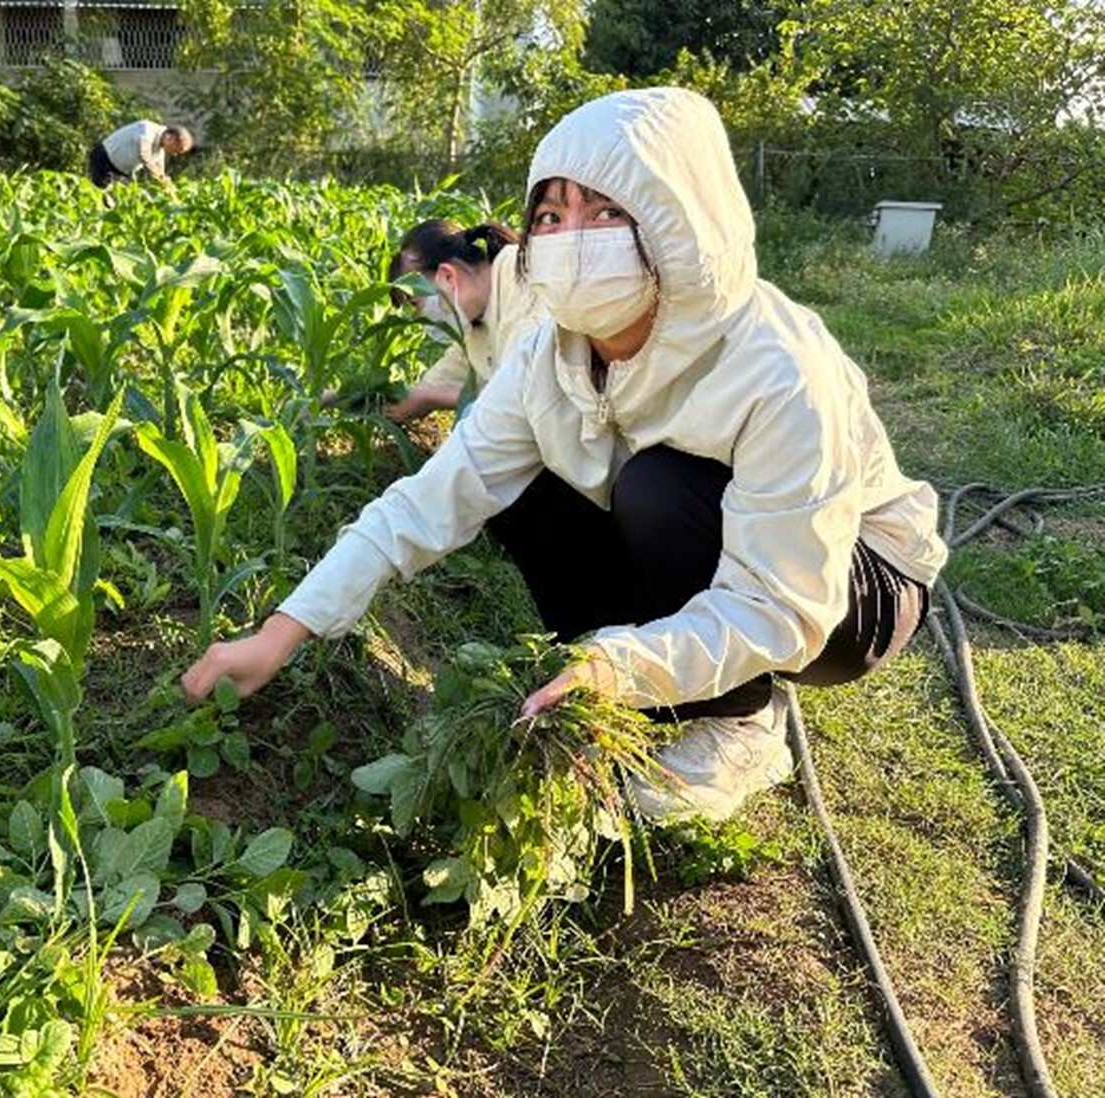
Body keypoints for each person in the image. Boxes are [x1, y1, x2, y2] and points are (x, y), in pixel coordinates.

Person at [180, 88, 949, 824]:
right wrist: (281, 631)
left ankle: (740, 722)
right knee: (527, 489)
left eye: (608, 210)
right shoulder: (547, 355)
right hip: (713, 559)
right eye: (549, 214)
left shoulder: (775, 368)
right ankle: (656, 692)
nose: (572, 238)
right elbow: (431, 497)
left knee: (660, 485)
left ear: (680, 222)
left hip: (850, 586)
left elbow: (780, 605)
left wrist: (618, 667)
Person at [379, 219, 545, 423]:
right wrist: (338, 397)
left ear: (448, 276)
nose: (419, 315)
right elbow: (430, 387)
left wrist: (431, 399)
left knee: (474, 418)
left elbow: (526, 394)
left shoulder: (525, 290)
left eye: (415, 303)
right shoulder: (476, 326)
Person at [88, 120, 193, 193]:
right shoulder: (147, 129)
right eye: (177, 149)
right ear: (170, 138)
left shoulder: (160, 149)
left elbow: (160, 172)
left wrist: (168, 185)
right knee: (100, 198)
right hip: (104, 160)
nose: (175, 154)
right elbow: (144, 155)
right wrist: (161, 178)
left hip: (121, 172)